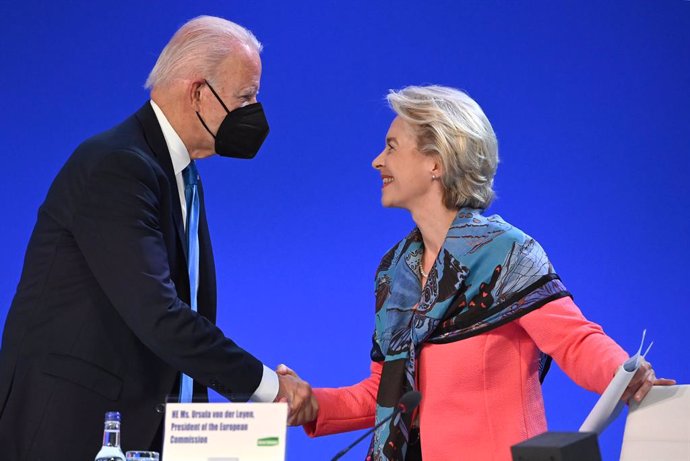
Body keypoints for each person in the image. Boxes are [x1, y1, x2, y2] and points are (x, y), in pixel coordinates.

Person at [281, 85, 675, 460]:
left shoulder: (508, 253)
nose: (377, 161)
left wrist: (623, 375)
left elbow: (575, 340)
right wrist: (311, 403)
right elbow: (383, 395)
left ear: (435, 161)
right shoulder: (393, 271)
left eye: (391, 147)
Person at [0, 16, 313, 460]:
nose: (254, 112)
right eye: (246, 97)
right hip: (72, 432)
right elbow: (160, 316)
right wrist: (267, 387)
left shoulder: (180, 173)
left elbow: (182, 323)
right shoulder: (118, 167)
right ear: (198, 93)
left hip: (149, 436)